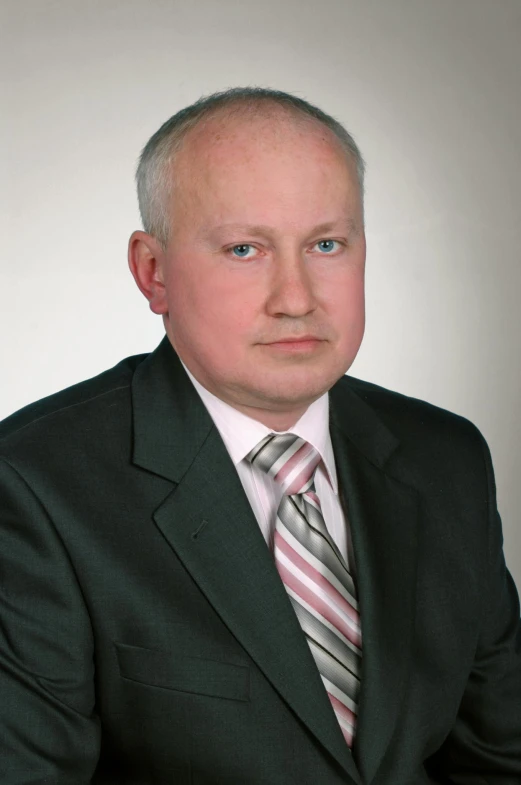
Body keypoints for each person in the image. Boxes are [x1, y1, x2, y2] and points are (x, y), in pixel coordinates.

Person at [1, 87, 520, 785]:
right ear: (152, 272)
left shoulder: (446, 456)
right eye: (244, 249)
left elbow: (498, 756)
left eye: (326, 244)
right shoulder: (36, 483)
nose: (296, 297)